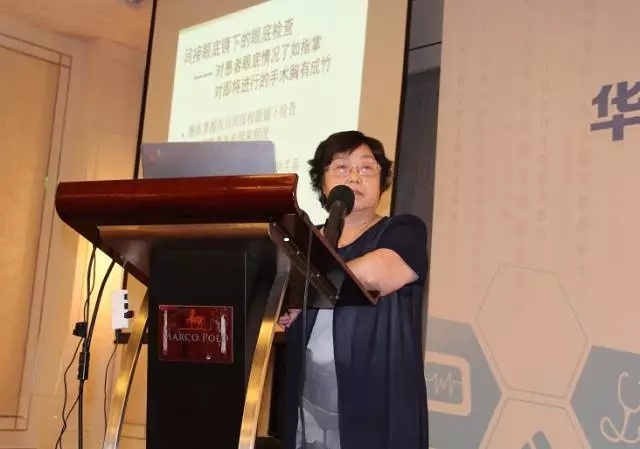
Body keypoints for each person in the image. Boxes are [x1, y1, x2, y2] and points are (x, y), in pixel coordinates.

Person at [278, 130, 429, 449]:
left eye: (366, 168)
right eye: (341, 167)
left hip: (377, 407)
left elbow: (376, 274)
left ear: (382, 182)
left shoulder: (403, 230)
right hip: (307, 409)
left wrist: (297, 288)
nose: (354, 177)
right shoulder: (299, 240)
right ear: (322, 183)